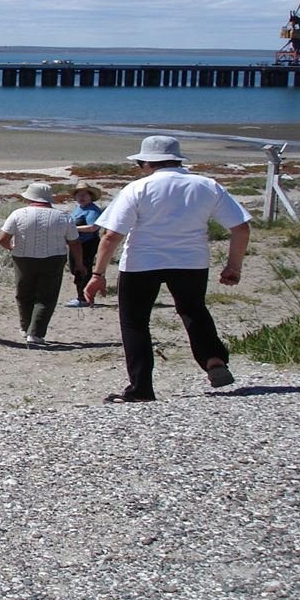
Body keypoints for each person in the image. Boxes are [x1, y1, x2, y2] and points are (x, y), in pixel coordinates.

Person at [85, 136, 251, 404]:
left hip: (141, 263)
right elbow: (241, 227)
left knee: (135, 323)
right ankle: (213, 359)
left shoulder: (137, 189)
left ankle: (141, 389)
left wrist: (97, 274)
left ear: (147, 163)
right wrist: (233, 266)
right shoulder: (207, 185)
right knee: (193, 310)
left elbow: (111, 236)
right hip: (190, 261)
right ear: (177, 160)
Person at [0, 183, 83, 346]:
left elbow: (2, 238)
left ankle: (26, 327)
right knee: (46, 296)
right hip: (54, 259)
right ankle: (36, 333)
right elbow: (75, 243)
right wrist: (79, 264)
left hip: (23, 258)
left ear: (29, 197)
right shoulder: (63, 216)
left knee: (24, 293)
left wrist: (11, 249)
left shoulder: (18, 214)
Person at [64, 181, 103, 307]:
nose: (81, 197)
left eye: (84, 195)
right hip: (76, 243)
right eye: (79, 195)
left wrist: (73, 229)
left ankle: (84, 298)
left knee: (83, 269)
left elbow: (93, 227)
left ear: (91, 196)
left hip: (87, 243)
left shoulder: (93, 210)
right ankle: (82, 296)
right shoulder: (78, 209)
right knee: (76, 269)